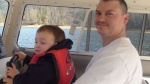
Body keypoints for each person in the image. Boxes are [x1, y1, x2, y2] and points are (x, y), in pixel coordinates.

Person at [74, 0, 142, 84]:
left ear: (125, 19)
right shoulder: (113, 48)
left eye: (109, 14)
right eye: (98, 13)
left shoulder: (116, 56)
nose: (101, 19)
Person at [2, 25, 75, 84]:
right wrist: (25, 57)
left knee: (4, 81)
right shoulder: (53, 57)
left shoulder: (48, 64)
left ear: (55, 44)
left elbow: (30, 81)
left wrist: (16, 76)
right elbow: (39, 67)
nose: (37, 45)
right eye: (36, 42)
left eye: (42, 42)